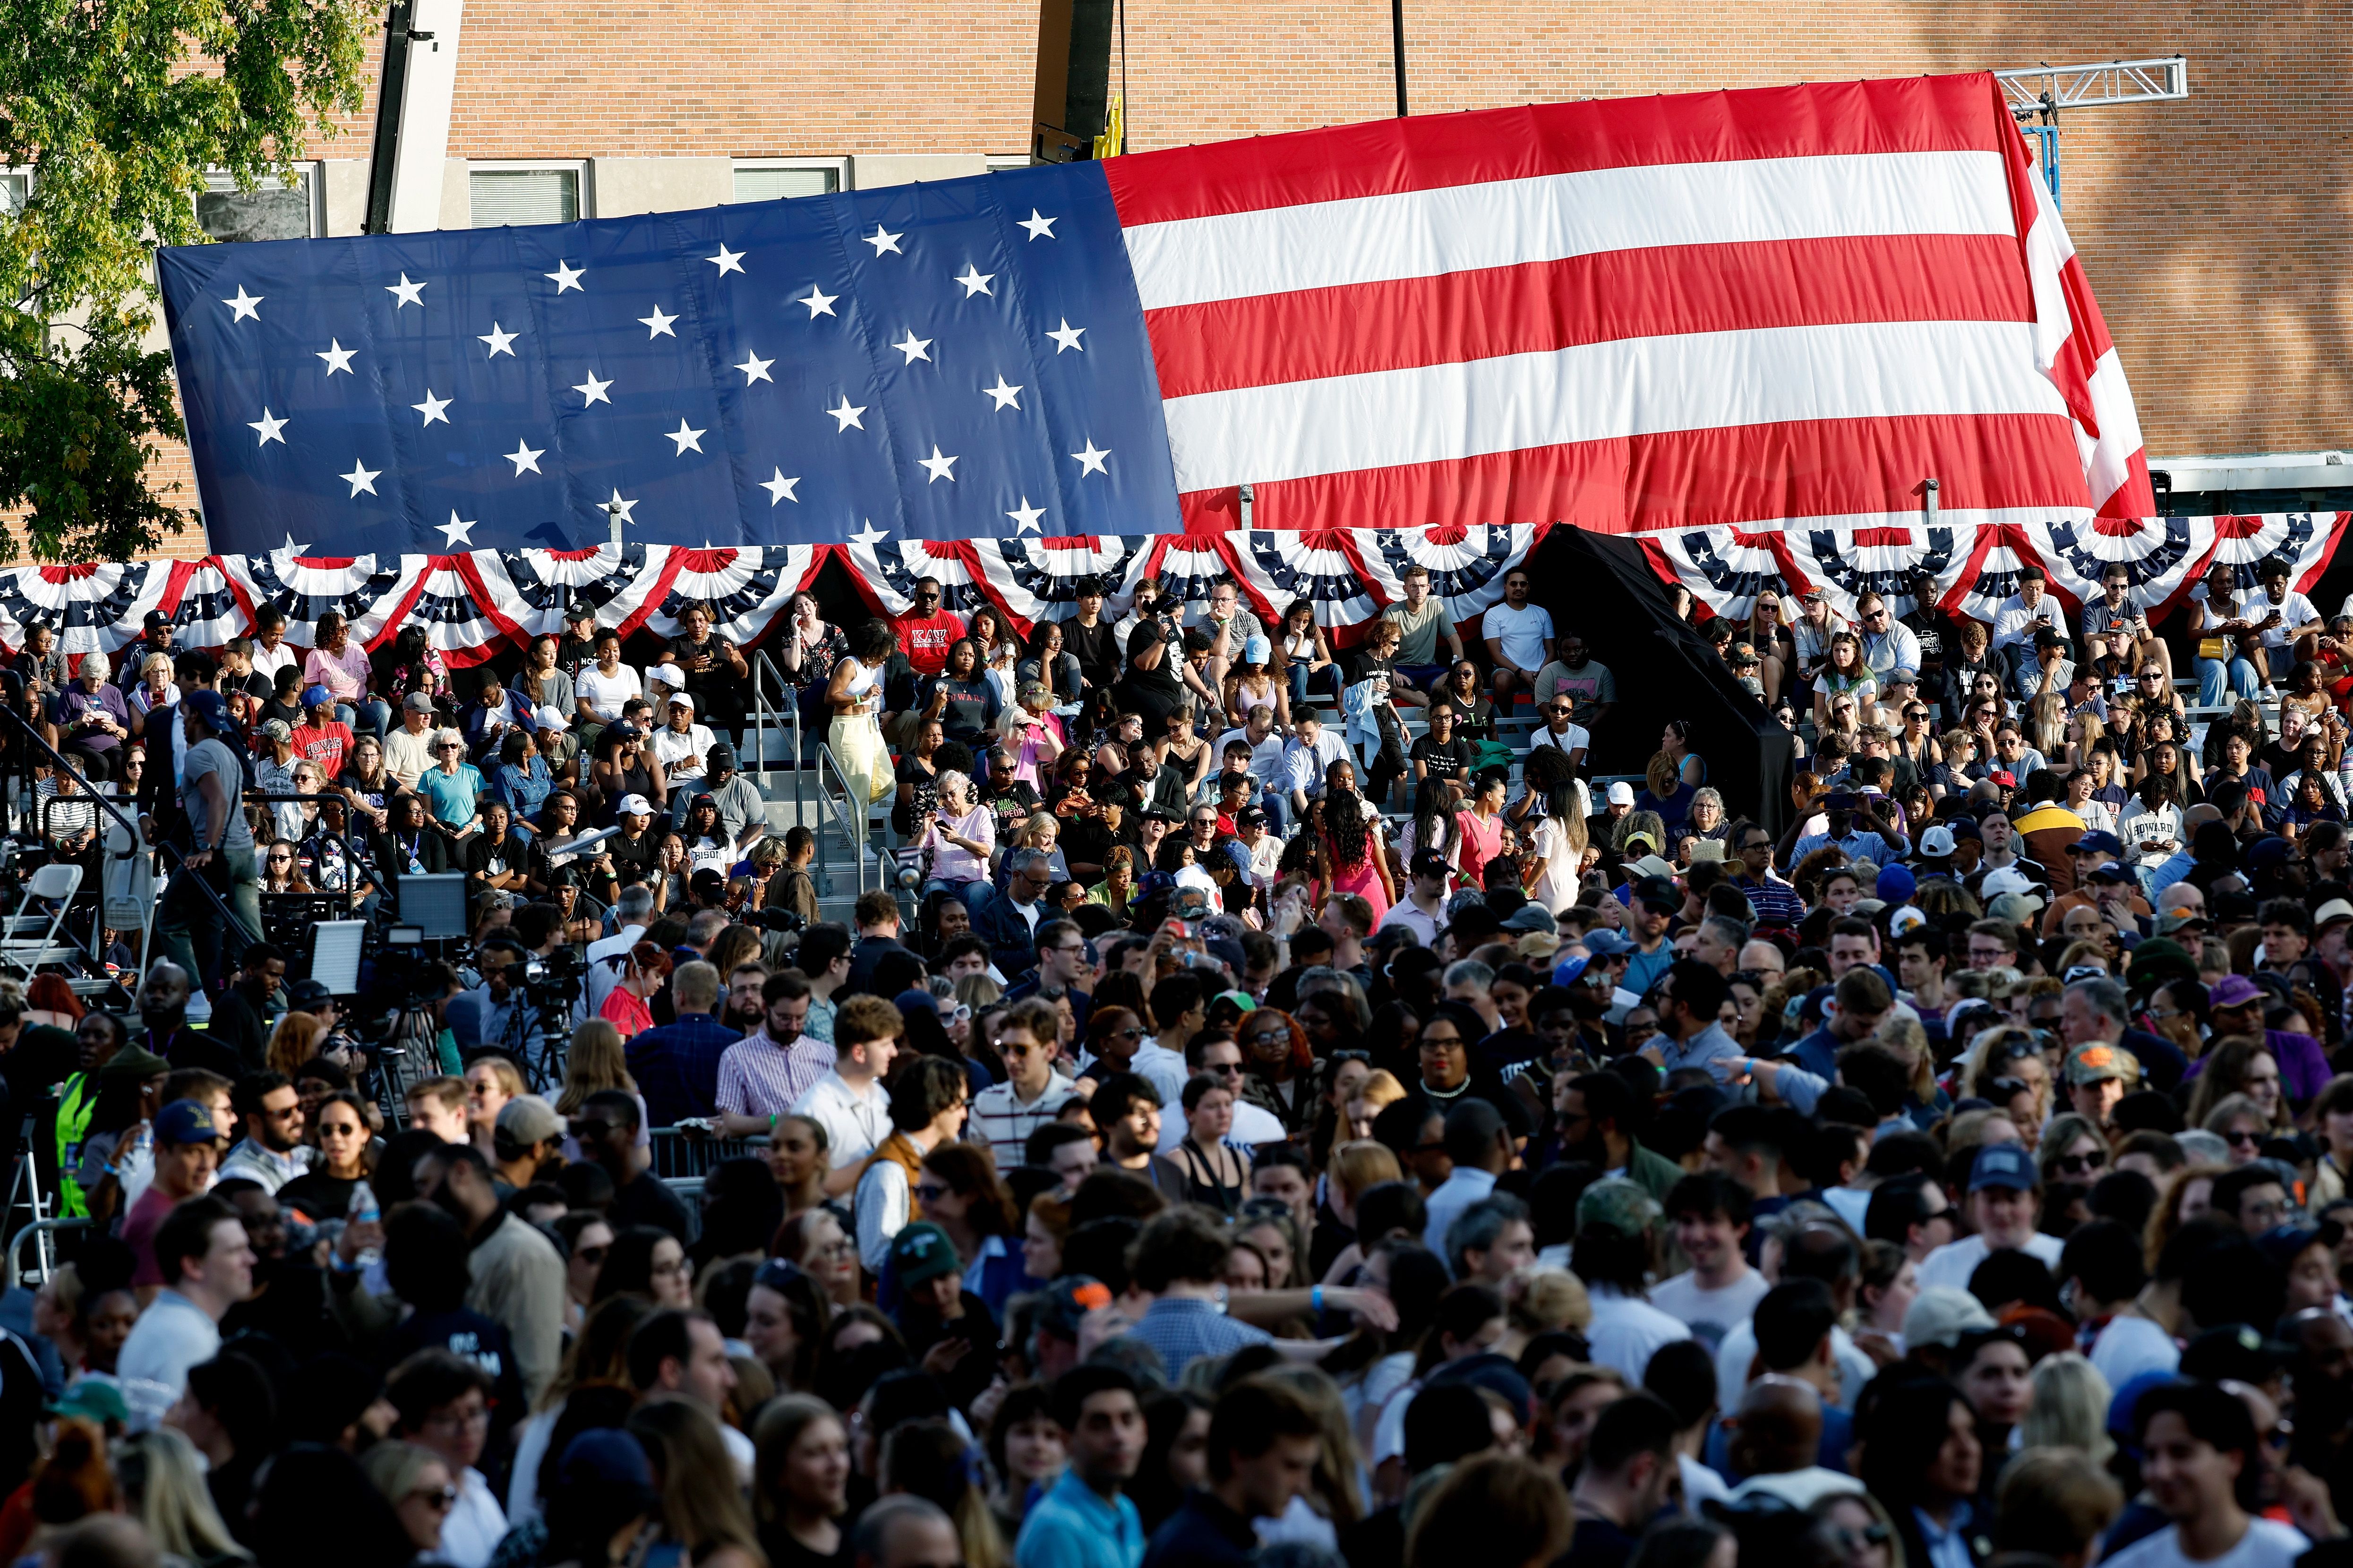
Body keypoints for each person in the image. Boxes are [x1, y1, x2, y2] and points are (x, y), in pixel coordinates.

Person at [1141, 1376, 1322, 1567]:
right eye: (1291, 1467)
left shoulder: (1200, 1535)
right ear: (1240, 1457)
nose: (1303, 1485)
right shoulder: (1206, 1555)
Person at [116, 1196, 254, 1429]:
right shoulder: (183, 1339)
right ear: (193, 1266)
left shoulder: (178, 1325)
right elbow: (180, 1448)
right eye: (235, 1251)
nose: (251, 1259)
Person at [1016, 1364, 1147, 1568]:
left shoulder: (1126, 1510)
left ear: (1144, 1431)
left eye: (1127, 1421)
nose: (1119, 1437)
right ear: (1067, 1440)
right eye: (1100, 1425)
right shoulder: (1058, 1529)